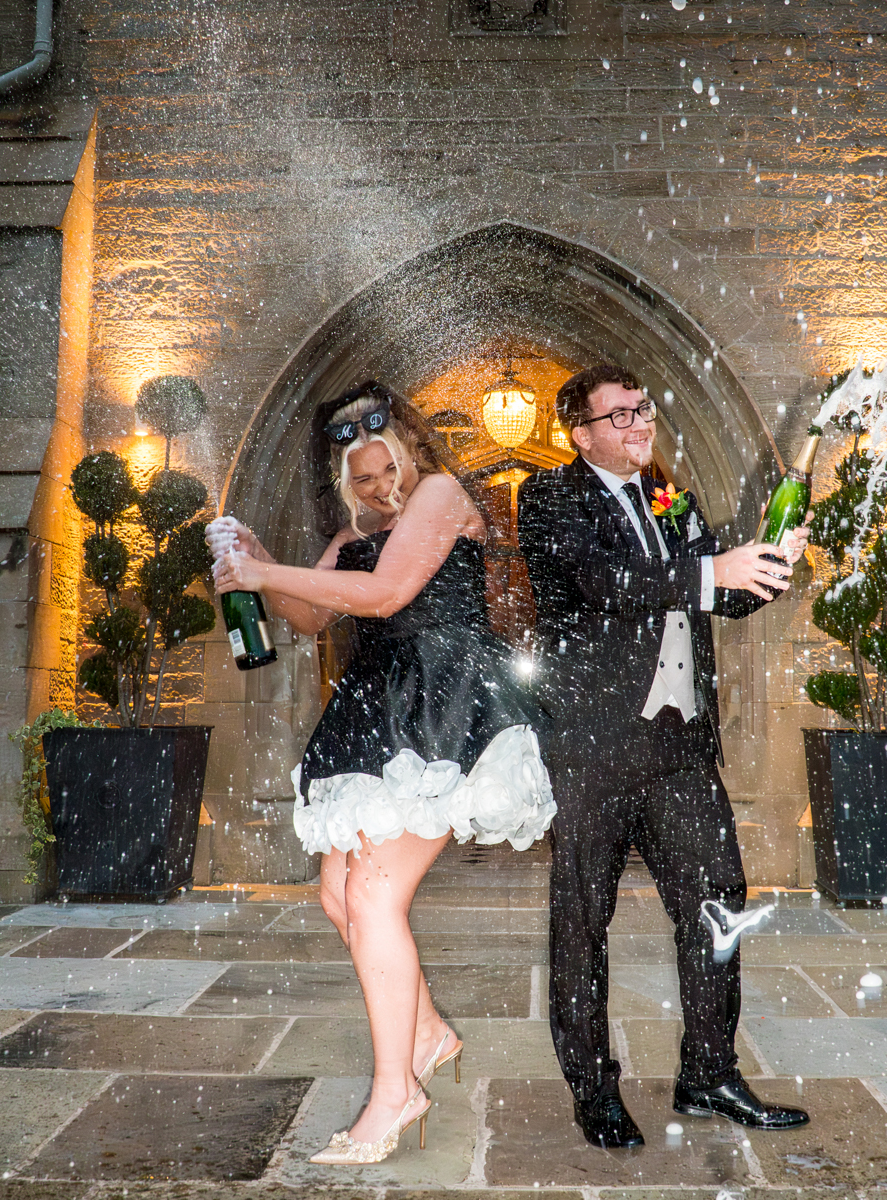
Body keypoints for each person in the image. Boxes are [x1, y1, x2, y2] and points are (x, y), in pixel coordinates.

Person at [208, 382, 554, 1166]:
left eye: (385, 468)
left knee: (372, 896)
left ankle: (396, 1092)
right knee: (338, 896)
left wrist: (266, 574)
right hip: (377, 711)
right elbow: (313, 616)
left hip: (442, 705)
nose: (376, 487)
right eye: (360, 477)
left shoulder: (442, 495)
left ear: (411, 451)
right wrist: (262, 565)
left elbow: (387, 593)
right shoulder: (355, 532)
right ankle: (425, 1034)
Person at [518, 364, 812, 1148]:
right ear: (580, 434)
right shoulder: (550, 496)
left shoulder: (669, 496)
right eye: (619, 415)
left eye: (644, 409)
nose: (641, 423)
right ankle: (594, 1091)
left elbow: (727, 595)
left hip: (679, 745)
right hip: (593, 747)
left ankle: (709, 1074)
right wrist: (714, 569)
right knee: (584, 920)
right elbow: (604, 582)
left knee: (719, 902)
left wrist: (770, 563)